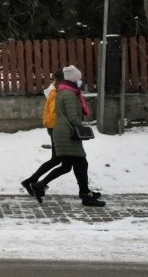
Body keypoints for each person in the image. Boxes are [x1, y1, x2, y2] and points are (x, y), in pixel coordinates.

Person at [32, 65, 105, 207]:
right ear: (73, 79)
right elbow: (73, 117)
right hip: (67, 133)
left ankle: (40, 185)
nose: (80, 81)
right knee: (81, 163)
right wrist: (83, 127)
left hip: (64, 132)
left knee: (68, 165)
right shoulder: (69, 94)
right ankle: (85, 195)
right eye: (78, 79)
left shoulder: (64, 91)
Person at [21, 68, 64, 201]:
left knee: (57, 160)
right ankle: (34, 182)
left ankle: (32, 181)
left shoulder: (55, 91)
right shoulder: (55, 92)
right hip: (57, 128)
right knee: (59, 160)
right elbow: (56, 112)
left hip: (55, 128)